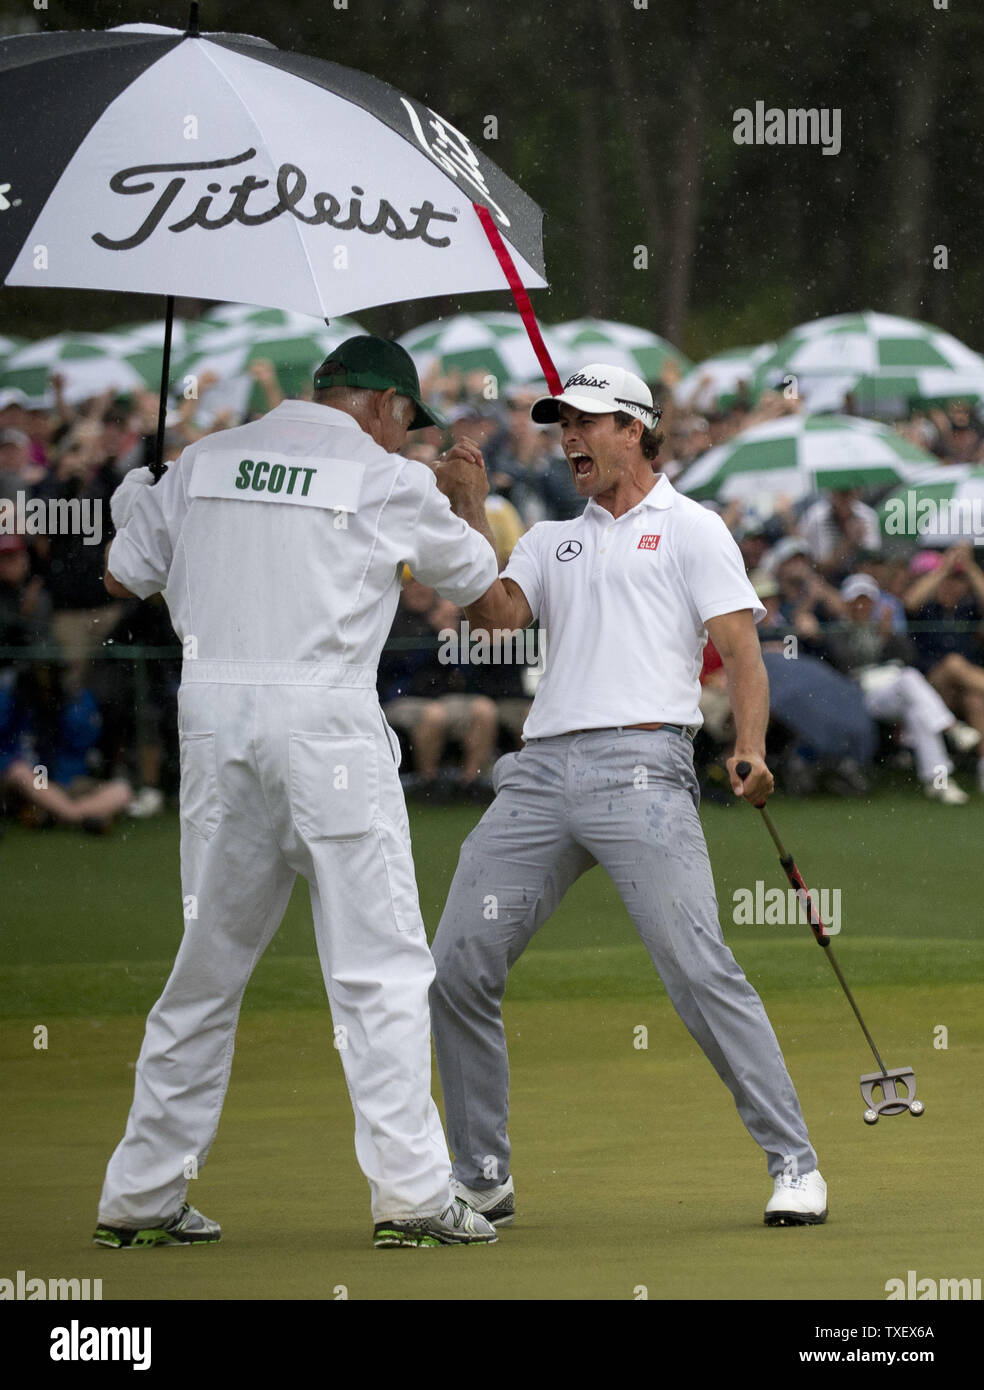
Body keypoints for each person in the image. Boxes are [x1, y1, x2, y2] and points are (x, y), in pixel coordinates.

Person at [94, 335, 500, 1251]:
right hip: (327, 727)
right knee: (380, 969)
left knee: (204, 969)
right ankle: (412, 1196)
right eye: (408, 423)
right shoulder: (386, 477)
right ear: (389, 407)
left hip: (214, 720)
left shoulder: (201, 460)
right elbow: (480, 589)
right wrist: (468, 501)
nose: (407, 439)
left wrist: (141, 490)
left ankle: (141, 1195)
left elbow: (124, 573)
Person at [427, 362, 826, 1230]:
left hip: (644, 768)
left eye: (587, 422)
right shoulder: (545, 539)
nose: (568, 436)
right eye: (561, 423)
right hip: (537, 775)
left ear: (636, 429)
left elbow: (742, 652)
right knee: (455, 963)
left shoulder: (693, 528)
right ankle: (482, 1174)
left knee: (697, 970)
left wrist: (751, 747)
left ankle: (794, 1160)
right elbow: (496, 615)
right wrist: (466, 506)